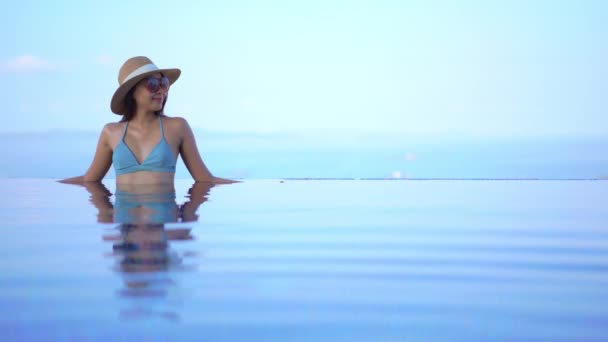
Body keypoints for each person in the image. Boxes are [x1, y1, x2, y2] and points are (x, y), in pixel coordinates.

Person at [61, 56, 233, 185]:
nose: (161, 91)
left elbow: (205, 180)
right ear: (132, 91)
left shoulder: (177, 127)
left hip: (165, 229)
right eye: (152, 84)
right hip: (125, 229)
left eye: (163, 83)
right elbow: (89, 180)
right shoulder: (111, 132)